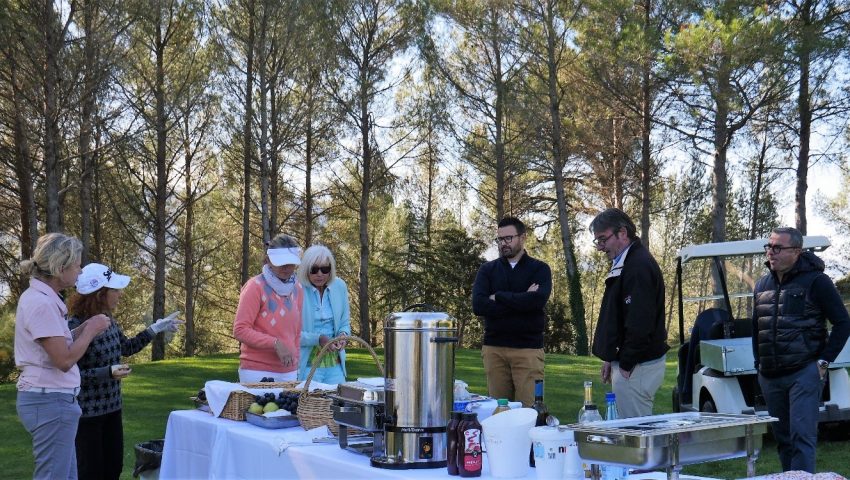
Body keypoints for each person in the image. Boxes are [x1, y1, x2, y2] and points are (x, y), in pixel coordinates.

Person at [67, 263, 183, 480]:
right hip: (87, 416)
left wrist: (156, 328)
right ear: (100, 294)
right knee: (90, 472)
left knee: (113, 468)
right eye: (115, 290)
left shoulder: (108, 320)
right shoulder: (75, 325)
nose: (119, 294)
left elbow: (126, 347)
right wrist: (107, 373)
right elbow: (70, 375)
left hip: (112, 410)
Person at [753, 227, 850, 473]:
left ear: (796, 251)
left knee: (801, 438)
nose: (770, 253)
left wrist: (823, 362)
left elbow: (843, 322)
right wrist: (759, 365)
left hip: (804, 373)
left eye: (777, 248)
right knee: (783, 440)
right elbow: (757, 329)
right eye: (769, 246)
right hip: (770, 375)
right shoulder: (762, 284)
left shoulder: (817, 282)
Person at [14, 233, 111, 479]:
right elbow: (64, 360)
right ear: (60, 268)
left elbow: (58, 341)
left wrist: (81, 329)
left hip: (54, 400)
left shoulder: (44, 299)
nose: (80, 272)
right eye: (77, 265)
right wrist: (89, 330)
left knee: (66, 475)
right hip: (50, 402)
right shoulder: (41, 303)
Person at [590, 208, 668, 418]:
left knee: (635, 435)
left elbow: (639, 322)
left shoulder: (638, 266)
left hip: (637, 367)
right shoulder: (627, 262)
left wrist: (625, 363)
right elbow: (620, 316)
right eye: (597, 241)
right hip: (632, 364)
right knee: (628, 431)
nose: (600, 247)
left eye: (603, 239)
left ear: (622, 233)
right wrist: (611, 357)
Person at [472, 216, 552, 407]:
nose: (503, 244)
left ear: (523, 237)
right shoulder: (487, 270)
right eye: (500, 239)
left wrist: (498, 296)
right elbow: (479, 306)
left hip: (528, 350)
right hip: (494, 349)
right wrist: (522, 298)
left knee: (530, 411)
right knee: (498, 412)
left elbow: (537, 301)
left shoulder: (539, 269)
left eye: (509, 238)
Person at [233, 233, 304, 383]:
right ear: (268, 260)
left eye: (290, 263)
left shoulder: (297, 288)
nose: (286, 267)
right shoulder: (255, 286)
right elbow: (240, 330)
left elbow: (296, 332)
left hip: (290, 372)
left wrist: (296, 362)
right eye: (281, 262)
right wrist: (275, 343)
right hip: (256, 371)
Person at [296, 245, 351, 384]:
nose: (319, 274)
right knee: (311, 405)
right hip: (307, 366)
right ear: (305, 269)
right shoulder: (296, 289)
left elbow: (344, 323)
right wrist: (318, 339)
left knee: (339, 402)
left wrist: (343, 336)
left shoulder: (340, 286)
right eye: (314, 269)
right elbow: (291, 335)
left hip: (335, 364)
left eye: (325, 269)